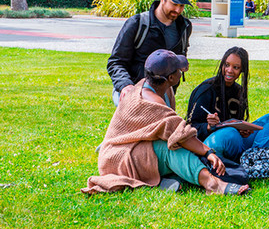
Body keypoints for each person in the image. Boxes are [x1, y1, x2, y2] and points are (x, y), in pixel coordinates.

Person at [83, 49, 250, 195]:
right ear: (171, 77)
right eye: (179, 70)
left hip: (138, 148)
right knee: (171, 148)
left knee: (177, 147)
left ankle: (164, 181)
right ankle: (213, 185)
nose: (181, 72)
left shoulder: (156, 87)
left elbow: (172, 130)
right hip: (119, 157)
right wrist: (209, 153)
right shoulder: (151, 103)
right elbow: (181, 135)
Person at [187, 47, 269, 163]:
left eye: (236, 67)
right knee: (230, 132)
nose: (230, 70)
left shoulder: (239, 91)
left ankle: (254, 158)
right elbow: (190, 127)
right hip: (211, 143)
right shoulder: (206, 89)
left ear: (242, 70)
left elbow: (236, 122)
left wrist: (243, 130)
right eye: (226, 65)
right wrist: (208, 126)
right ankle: (253, 160)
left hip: (234, 140)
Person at [107, 0, 193, 107]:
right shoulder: (137, 24)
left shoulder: (184, 27)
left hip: (164, 94)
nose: (178, 10)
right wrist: (125, 85)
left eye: (182, 6)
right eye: (174, 4)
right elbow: (116, 62)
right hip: (132, 90)